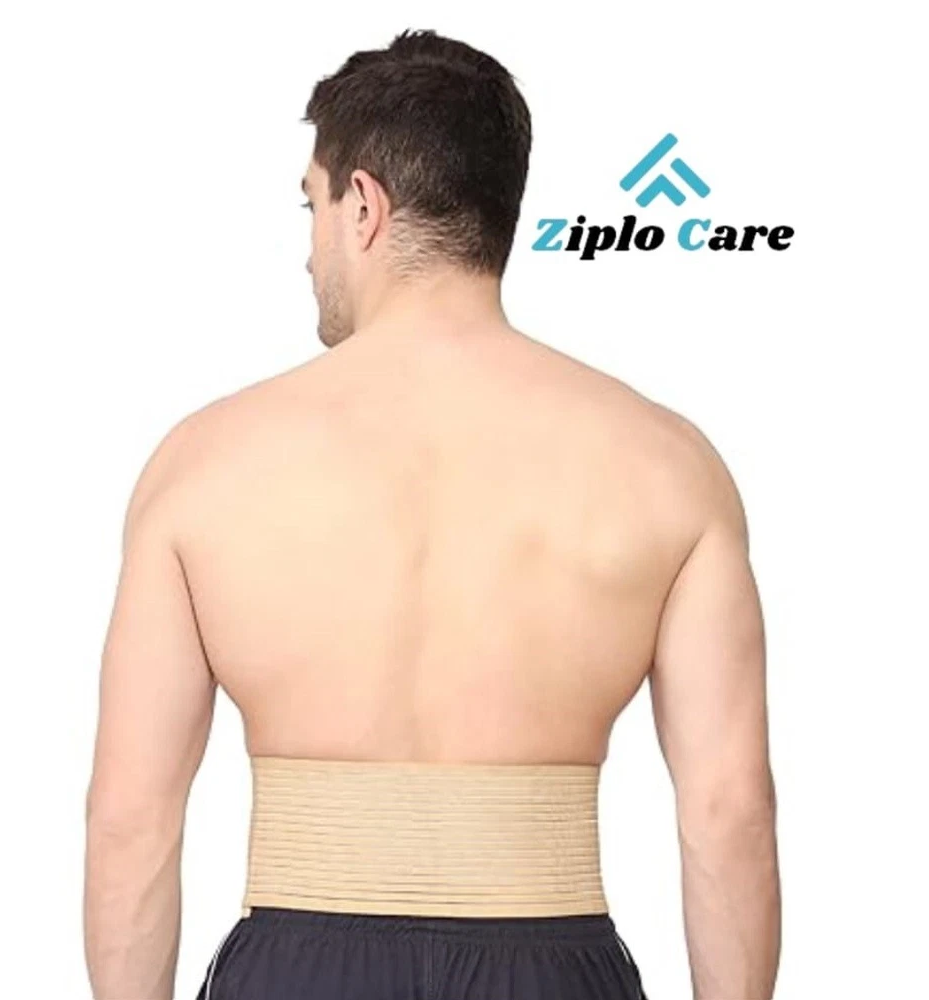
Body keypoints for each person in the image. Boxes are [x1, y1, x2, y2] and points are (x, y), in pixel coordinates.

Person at [84, 28, 780, 1000]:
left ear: (363, 205)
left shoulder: (202, 465)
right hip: (551, 969)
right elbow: (728, 812)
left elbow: (131, 820)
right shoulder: (668, 467)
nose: (309, 250)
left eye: (313, 206)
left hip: (296, 972)